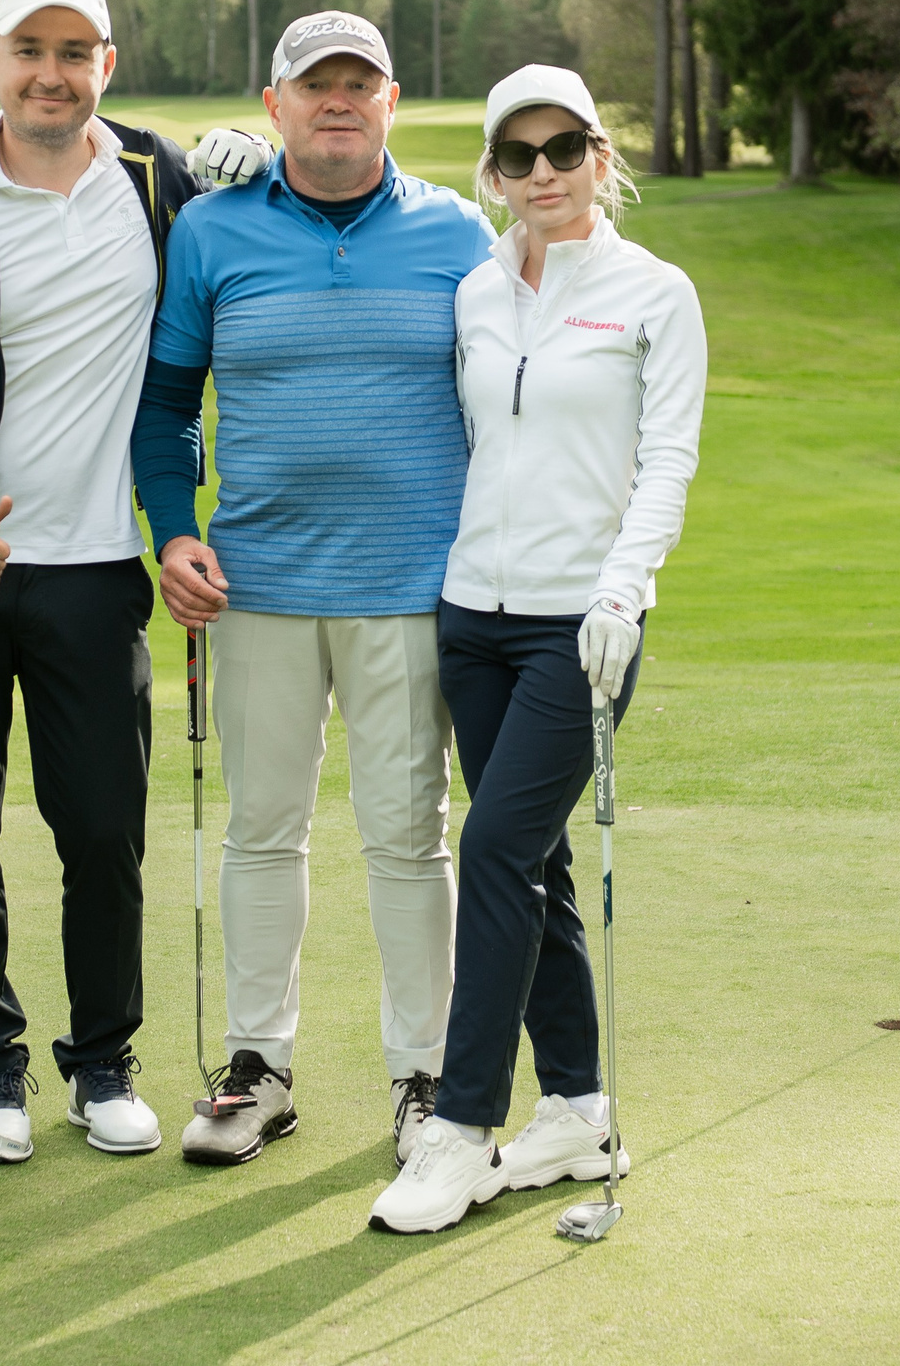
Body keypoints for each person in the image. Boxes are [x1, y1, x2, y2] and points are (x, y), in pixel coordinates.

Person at [0, 0, 258, 1164]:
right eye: (30, 48)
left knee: (101, 828)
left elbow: (255, 243)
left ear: (106, 64)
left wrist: (255, 158)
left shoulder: (160, 182)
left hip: (90, 571)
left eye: (74, 51)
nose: (51, 72)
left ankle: (104, 1060)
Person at [133, 12, 497, 1168]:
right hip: (258, 583)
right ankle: (258, 1065)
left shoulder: (459, 230)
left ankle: (425, 1074)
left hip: (410, 584)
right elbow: (163, 408)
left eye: (359, 82)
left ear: (391, 100)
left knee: (406, 835)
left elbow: (504, 400)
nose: (336, 100)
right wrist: (175, 533)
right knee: (262, 829)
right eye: (314, 84)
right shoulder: (210, 228)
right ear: (275, 99)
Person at [367, 64, 707, 1233]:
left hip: (584, 624)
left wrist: (624, 585)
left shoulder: (654, 293)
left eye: (565, 148)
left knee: (495, 845)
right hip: (474, 621)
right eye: (519, 158)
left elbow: (666, 459)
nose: (545, 173)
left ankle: (459, 1129)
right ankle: (574, 1105)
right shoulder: (473, 292)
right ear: (494, 177)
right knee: (539, 860)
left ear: (601, 156)